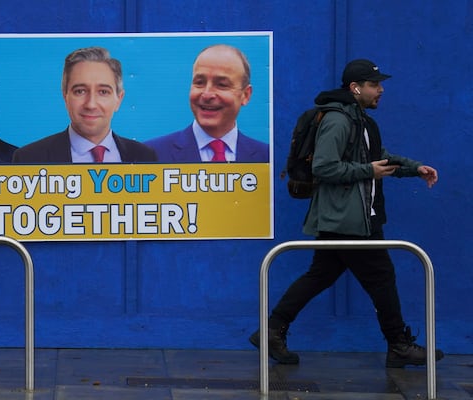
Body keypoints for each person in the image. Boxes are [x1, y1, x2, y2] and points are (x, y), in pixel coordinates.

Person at [250, 59, 443, 368]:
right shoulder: (339, 121)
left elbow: (378, 158)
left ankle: (272, 330)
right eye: (374, 85)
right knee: (381, 276)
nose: (380, 90)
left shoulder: (363, 121)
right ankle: (398, 345)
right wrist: (367, 171)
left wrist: (413, 169)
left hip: (350, 216)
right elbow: (323, 167)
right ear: (356, 88)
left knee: (320, 275)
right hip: (348, 219)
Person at [12, 46, 156, 163]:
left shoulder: (144, 157)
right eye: (80, 91)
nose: (91, 104)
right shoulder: (29, 159)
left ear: (119, 99)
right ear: (65, 97)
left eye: (103, 92)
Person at [145, 44, 268, 162]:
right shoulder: (151, 155)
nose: (207, 94)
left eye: (221, 85)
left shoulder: (268, 157)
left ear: (245, 95)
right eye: (199, 82)